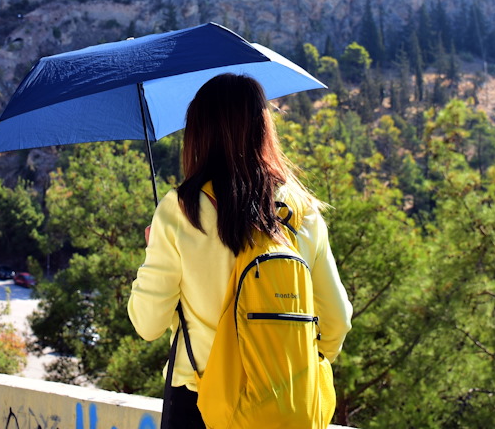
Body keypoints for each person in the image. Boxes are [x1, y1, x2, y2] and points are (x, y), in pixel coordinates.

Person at [128, 74, 353, 428]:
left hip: (200, 404)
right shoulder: (302, 209)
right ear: (263, 127)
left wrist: (152, 250)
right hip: (287, 409)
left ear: (200, 132)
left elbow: (147, 324)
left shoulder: (180, 209)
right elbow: (337, 320)